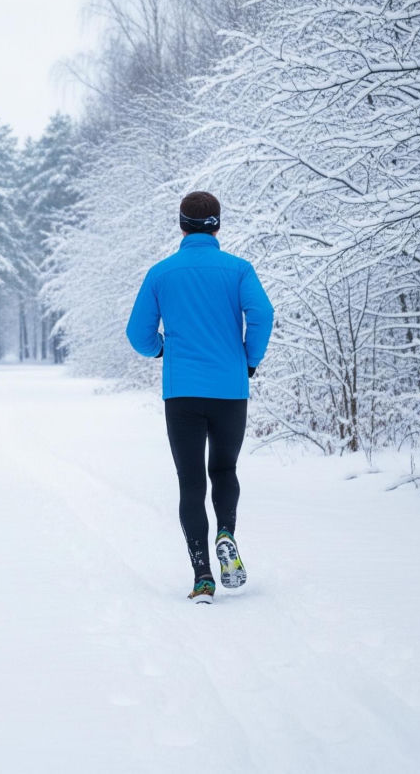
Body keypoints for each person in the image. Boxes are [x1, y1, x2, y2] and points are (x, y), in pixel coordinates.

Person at [125, 191, 274, 604]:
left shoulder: (161, 273)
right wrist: (249, 358)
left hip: (183, 392)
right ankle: (226, 530)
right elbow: (263, 314)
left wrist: (162, 349)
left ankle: (203, 577)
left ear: (181, 224)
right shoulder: (239, 270)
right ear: (218, 226)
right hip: (230, 388)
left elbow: (138, 334)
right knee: (224, 470)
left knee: (191, 482)